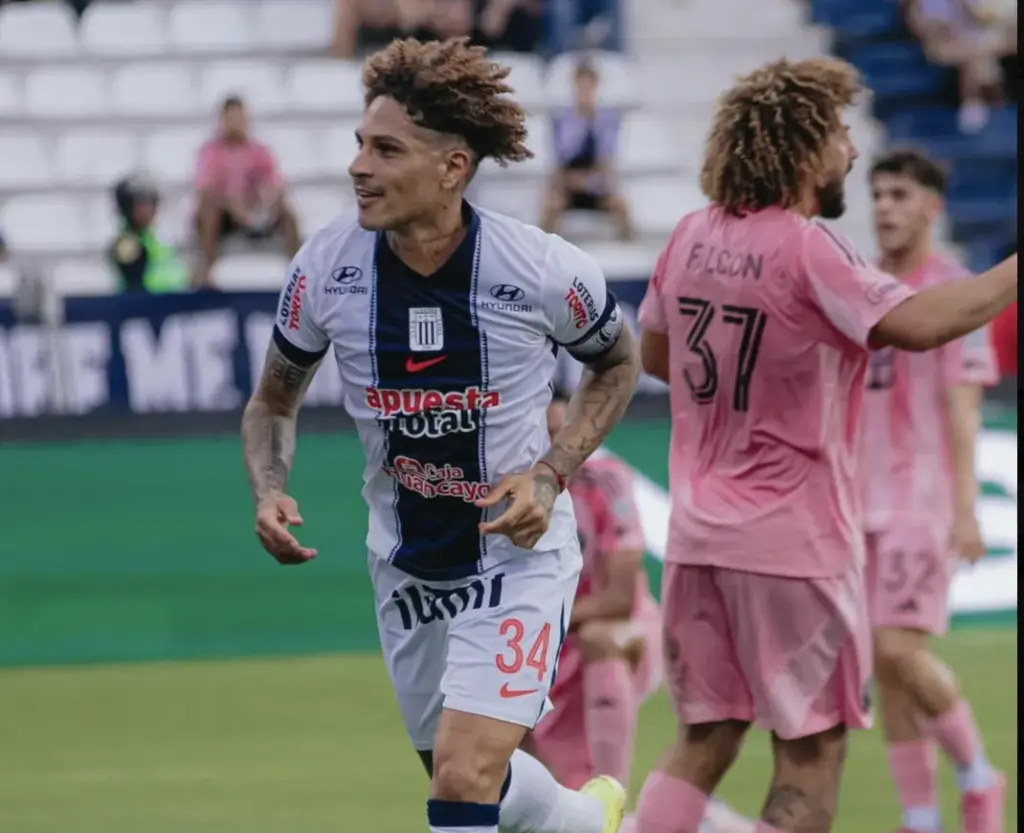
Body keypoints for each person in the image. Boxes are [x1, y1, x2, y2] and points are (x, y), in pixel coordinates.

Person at [241, 37, 641, 833]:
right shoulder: (325, 268)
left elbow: (619, 361)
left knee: (462, 776)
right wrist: (270, 487)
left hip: (515, 554)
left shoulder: (537, 269)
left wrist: (552, 473)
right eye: (360, 143)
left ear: (453, 168)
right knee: (467, 778)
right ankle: (588, 822)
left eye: (386, 149)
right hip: (405, 562)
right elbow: (272, 402)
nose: (359, 164)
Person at [631, 56, 1017, 833]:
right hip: (794, 541)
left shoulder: (689, 235)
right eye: (840, 132)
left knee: (701, 738)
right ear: (805, 148)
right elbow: (920, 325)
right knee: (811, 752)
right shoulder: (810, 247)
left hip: (698, 534)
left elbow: (655, 357)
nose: (852, 149)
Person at [862, 149, 1005, 833]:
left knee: (896, 649)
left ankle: (979, 776)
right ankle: (921, 818)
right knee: (885, 668)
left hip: (919, 502)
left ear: (931, 206)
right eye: (878, 193)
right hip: (853, 501)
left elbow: (962, 406)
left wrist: (965, 508)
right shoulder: (857, 286)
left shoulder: (955, 291)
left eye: (899, 194)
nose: (884, 206)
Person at [524, 396, 660, 792]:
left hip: (611, 634)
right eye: (545, 437)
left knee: (600, 638)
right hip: (546, 644)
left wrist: (545, 616)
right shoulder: (509, 490)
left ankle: (610, 796)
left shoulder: (605, 480)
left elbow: (618, 600)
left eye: (562, 436)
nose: (556, 451)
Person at [193, 96, 301, 287]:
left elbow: (275, 183)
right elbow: (205, 189)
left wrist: (266, 202)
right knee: (208, 211)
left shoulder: (260, 151)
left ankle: (300, 274)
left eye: (239, 118)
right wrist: (232, 205)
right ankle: (205, 276)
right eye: (230, 118)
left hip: (256, 210)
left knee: (288, 214)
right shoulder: (210, 151)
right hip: (224, 215)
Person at [541, 61, 634, 242]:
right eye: (580, 87)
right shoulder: (562, 119)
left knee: (621, 205)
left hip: (596, 183)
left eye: (588, 87)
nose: (584, 93)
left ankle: (627, 250)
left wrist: (591, 182)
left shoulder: (608, 120)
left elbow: (607, 160)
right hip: (569, 183)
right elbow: (561, 158)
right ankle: (545, 252)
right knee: (551, 205)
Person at [108, 173, 190, 294]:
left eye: (150, 202)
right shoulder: (126, 244)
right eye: (140, 204)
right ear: (126, 207)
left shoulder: (159, 239)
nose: (148, 209)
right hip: (146, 308)